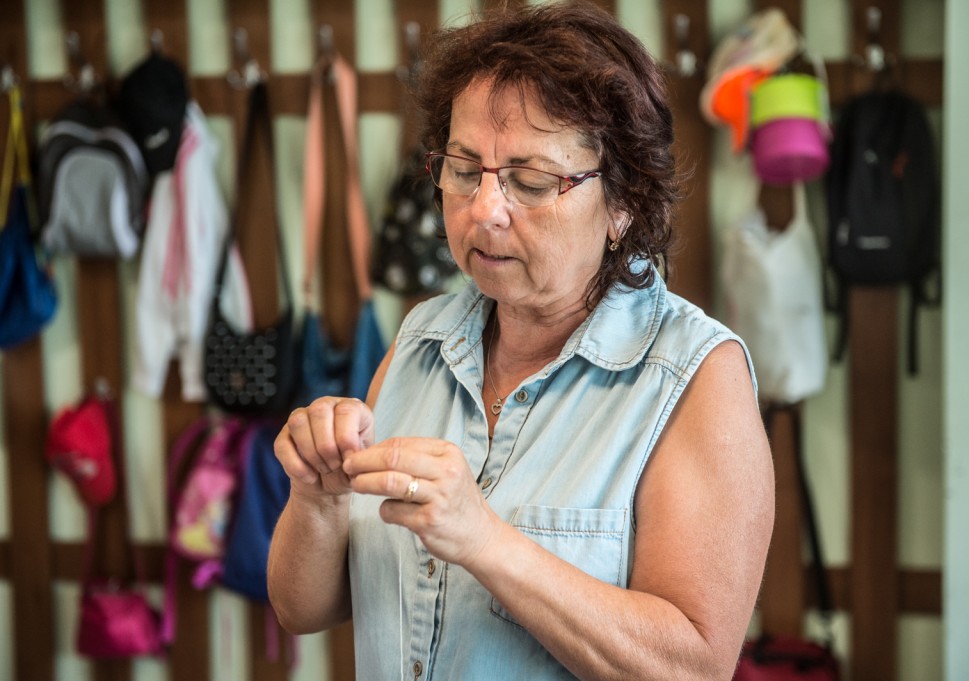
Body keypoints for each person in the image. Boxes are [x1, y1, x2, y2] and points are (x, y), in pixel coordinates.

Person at [268, 2, 774, 679]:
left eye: (530, 181)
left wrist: (485, 541)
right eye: (463, 169)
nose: (484, 209)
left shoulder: (693, 376)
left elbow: (692, 667)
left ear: (624, 201)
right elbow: (301, 608)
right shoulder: (421, 340)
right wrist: (318, 496)